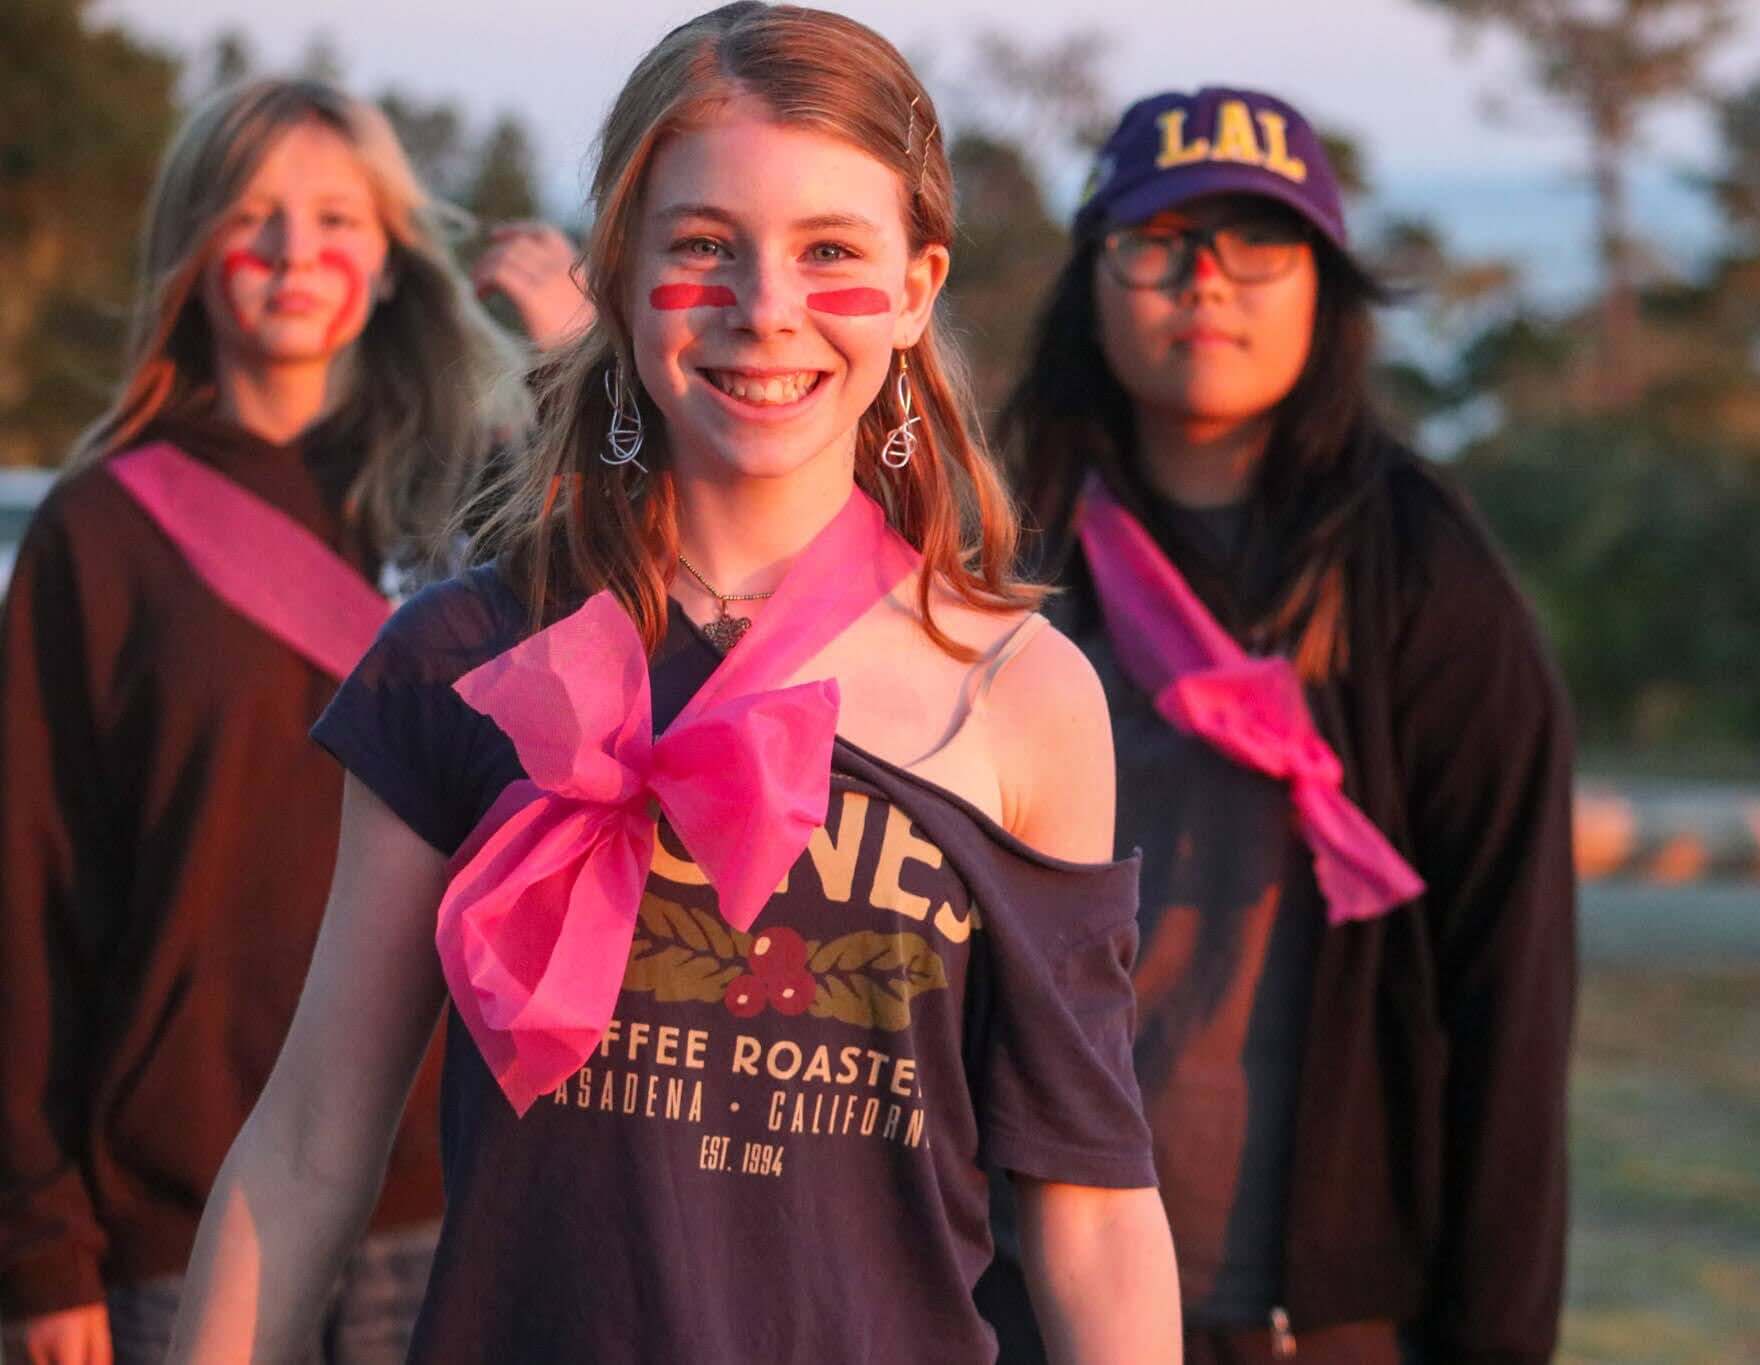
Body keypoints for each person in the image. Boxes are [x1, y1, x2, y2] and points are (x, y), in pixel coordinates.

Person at [167, 7, 1180, 1363]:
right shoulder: (464, 657)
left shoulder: (1017, 687)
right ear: (618, 272)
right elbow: (307, 1147)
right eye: (703, 245)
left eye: (831, 251)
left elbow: (1091, 1206)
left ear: (916, 286)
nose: (765, 308)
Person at [977, 87, 1578, 1364]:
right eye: (1157, 241)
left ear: (1325, 287)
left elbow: (1508, 989)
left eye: (1257, 241)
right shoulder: (992, 558)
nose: (1206, 280)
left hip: (1316, 1316)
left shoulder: (1418, 572)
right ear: (1090, 281)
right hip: (1014, 1291)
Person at [0, 79, 541, 1365]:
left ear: (392, 258)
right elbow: (25, 898)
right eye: (252, 217)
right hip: (179, 1220)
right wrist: (38, 1242)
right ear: (193, 249)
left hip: (455, 1199)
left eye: (337, 219)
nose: (296, 253)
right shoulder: (98, 531)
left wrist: (571, 347)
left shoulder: (485, 502)